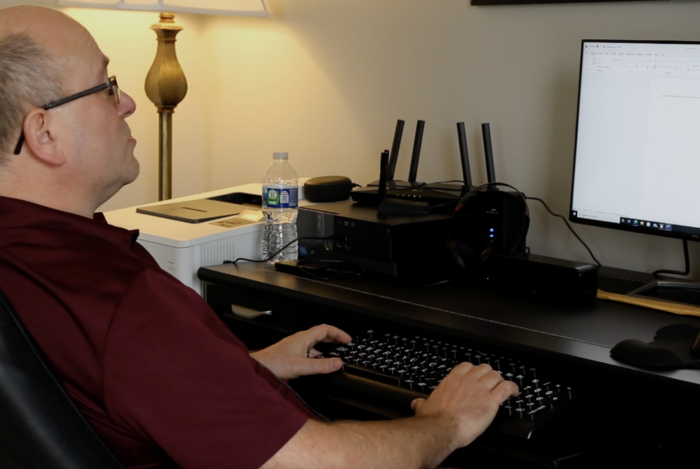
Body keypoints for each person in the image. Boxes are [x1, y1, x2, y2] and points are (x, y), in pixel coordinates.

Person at [0, 5, 518, 469]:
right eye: (107, 85)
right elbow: (324, 463)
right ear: (44, 133)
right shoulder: (124, 302)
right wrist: (449, 421)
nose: (129, 103)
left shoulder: (29, 256)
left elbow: (69, 386)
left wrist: (239, 369)